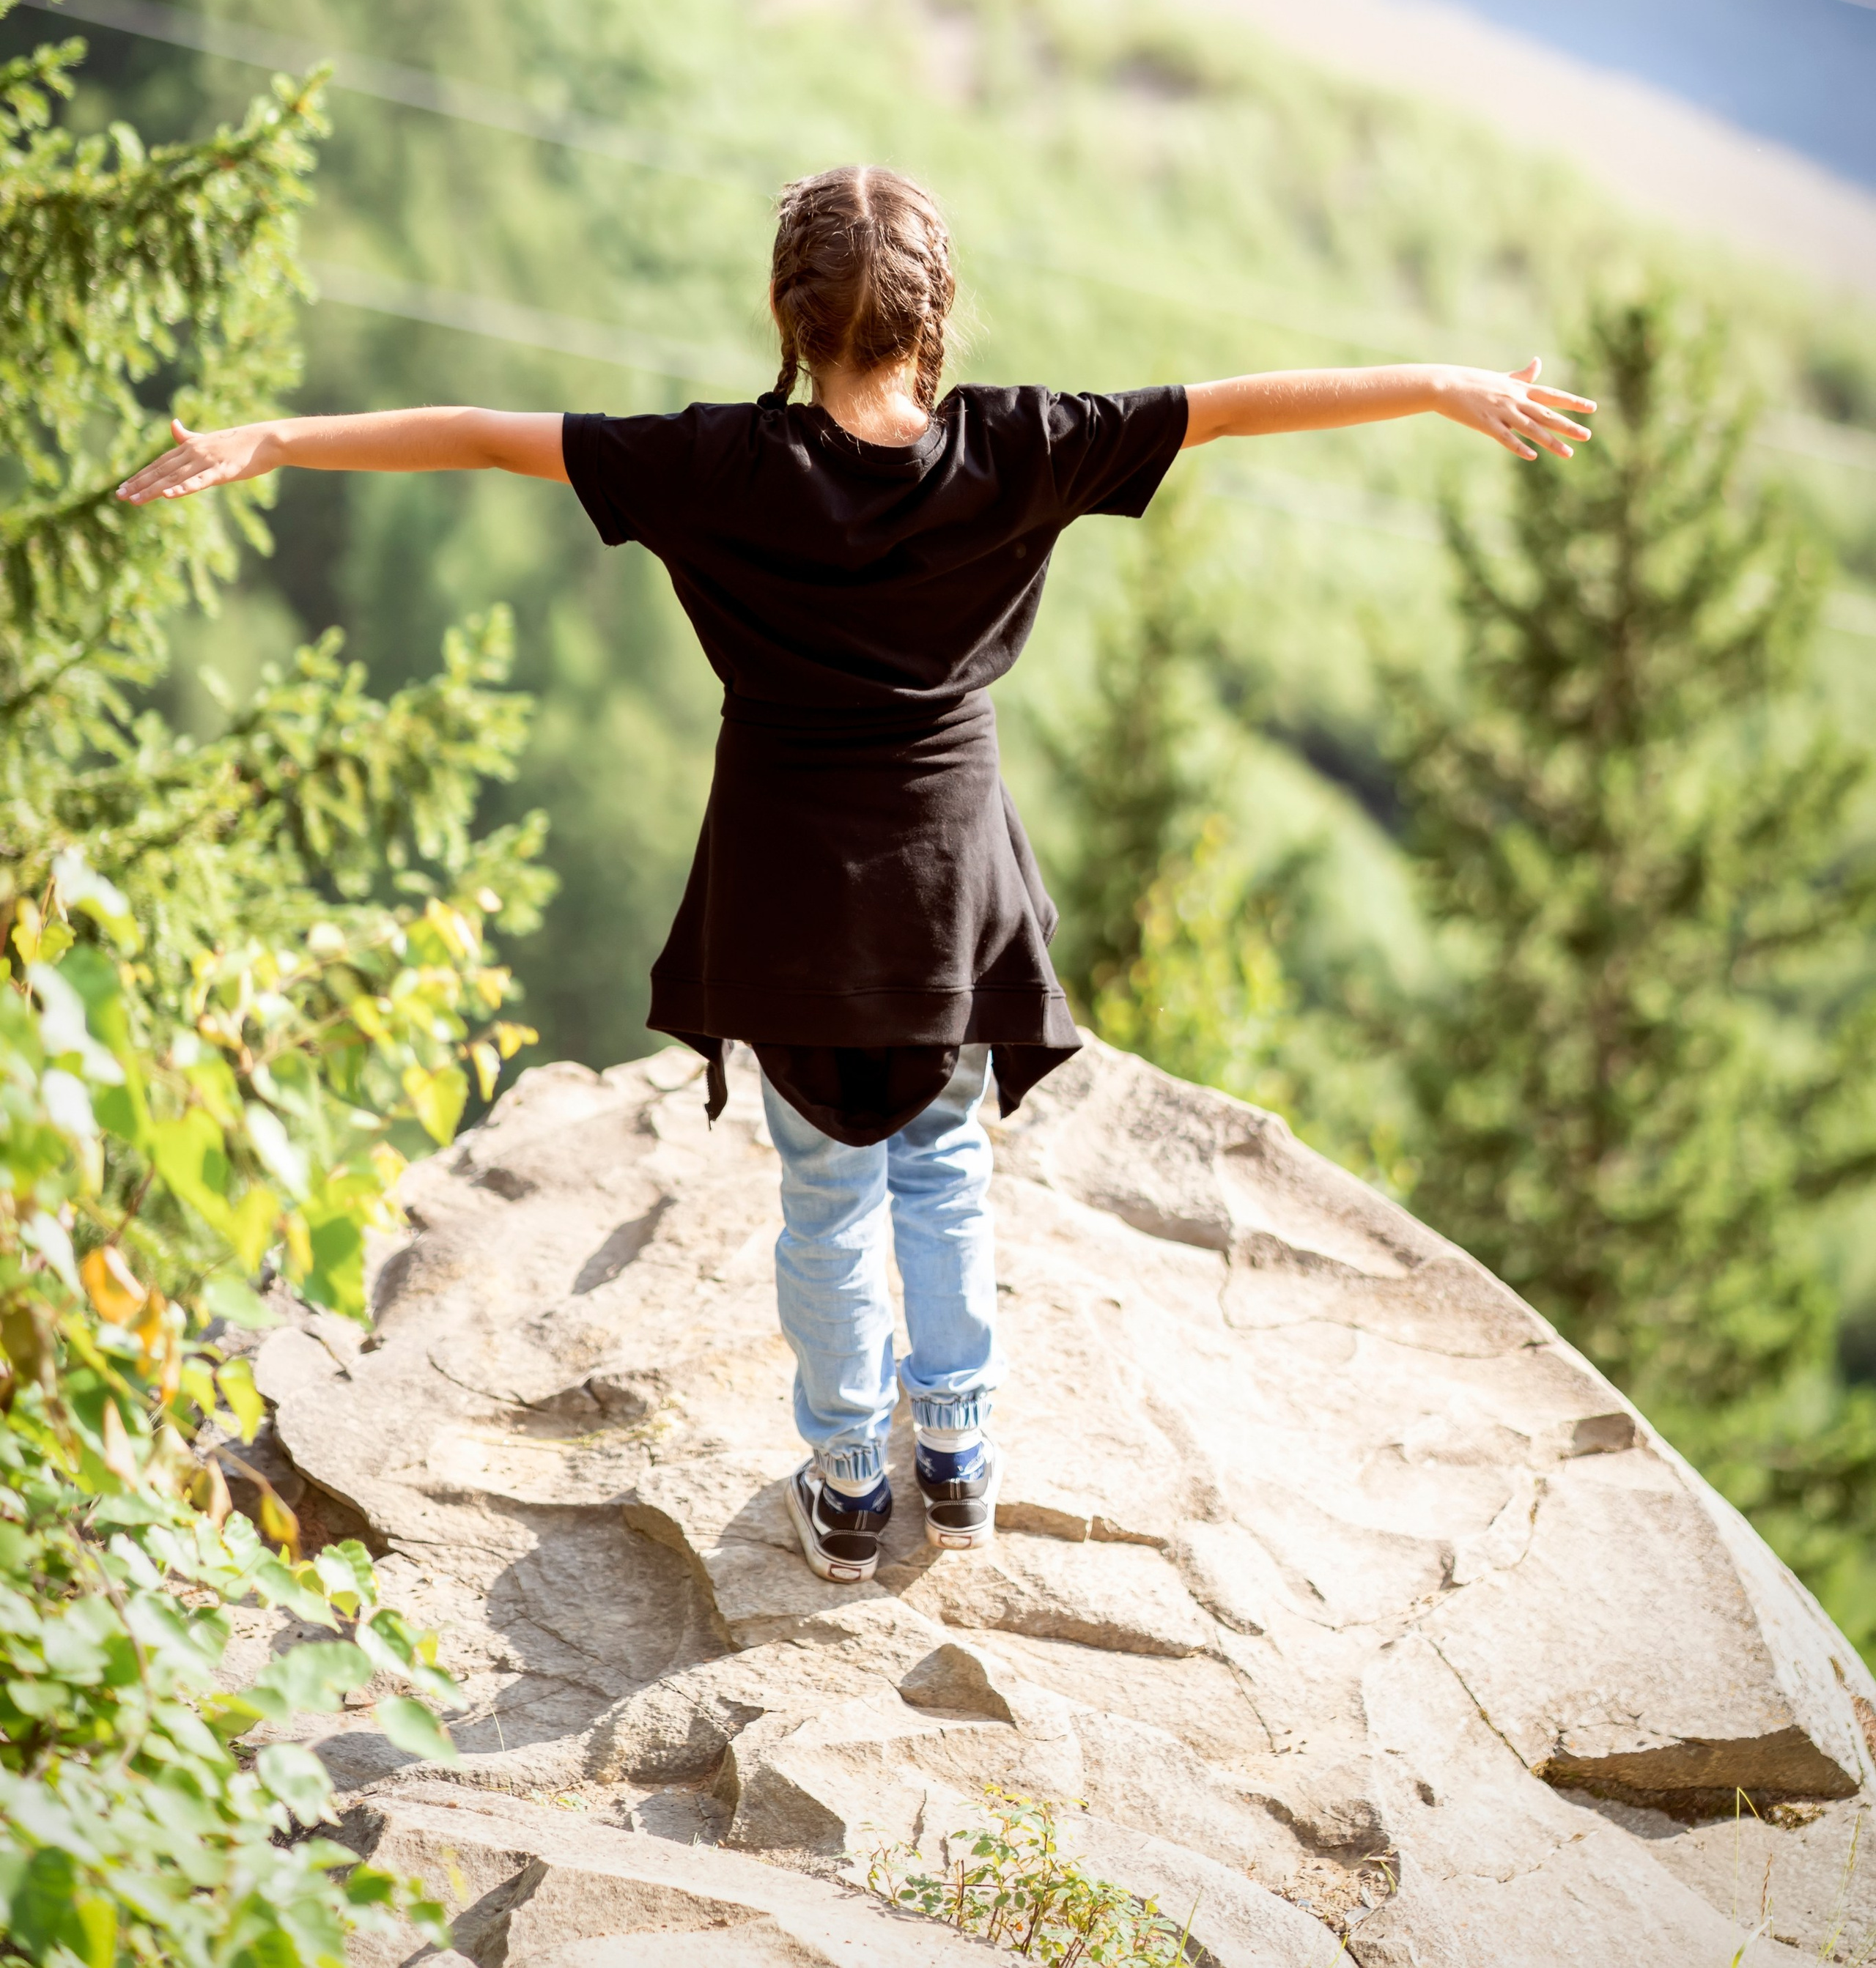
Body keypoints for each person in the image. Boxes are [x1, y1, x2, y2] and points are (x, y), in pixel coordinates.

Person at [118, 163, 1595, 1583]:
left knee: (824, 1192)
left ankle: (841, 1482)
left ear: (789, 314)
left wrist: (277, 436)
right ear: (935, 311)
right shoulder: (1019, 446)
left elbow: (484, 432)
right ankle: (953, 1449)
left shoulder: (712, 465)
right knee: (944, 1166)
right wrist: (1439, 383)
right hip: (950, 888)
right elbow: (1228, 409)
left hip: (784, 884)